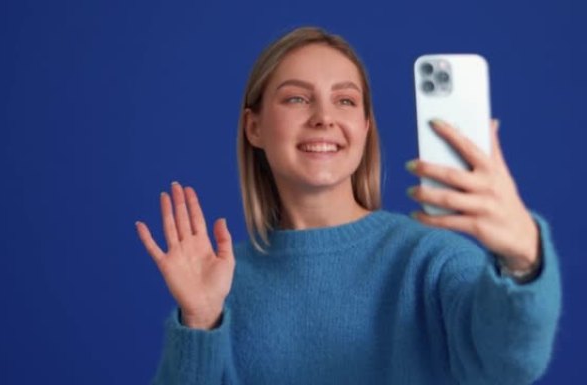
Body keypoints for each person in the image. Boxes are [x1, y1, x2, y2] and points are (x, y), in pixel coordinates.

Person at [135, 26, 561, 385]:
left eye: (345, 100)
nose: (325, 117)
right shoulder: (222, 284)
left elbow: (511, 362)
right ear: (255, 127)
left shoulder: (430, 260)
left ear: (364, 127)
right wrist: (200, 323)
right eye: (297, 98)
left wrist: (523, 258)